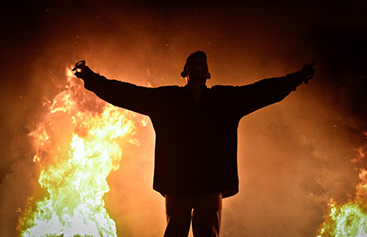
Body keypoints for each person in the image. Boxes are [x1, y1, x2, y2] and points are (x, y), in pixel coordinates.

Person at [73, 51, 316, 237]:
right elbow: (127, 93)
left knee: (207, 233)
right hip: (177, 183)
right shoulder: (166, 99)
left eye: (203, 64)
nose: (199, 66)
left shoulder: (225, 100)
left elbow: (261, 91)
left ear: (208, 74)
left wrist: (296, 78)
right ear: (184, 72)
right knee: (176, 230)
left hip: (210, 183)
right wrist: (92, 79)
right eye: (193, 64)